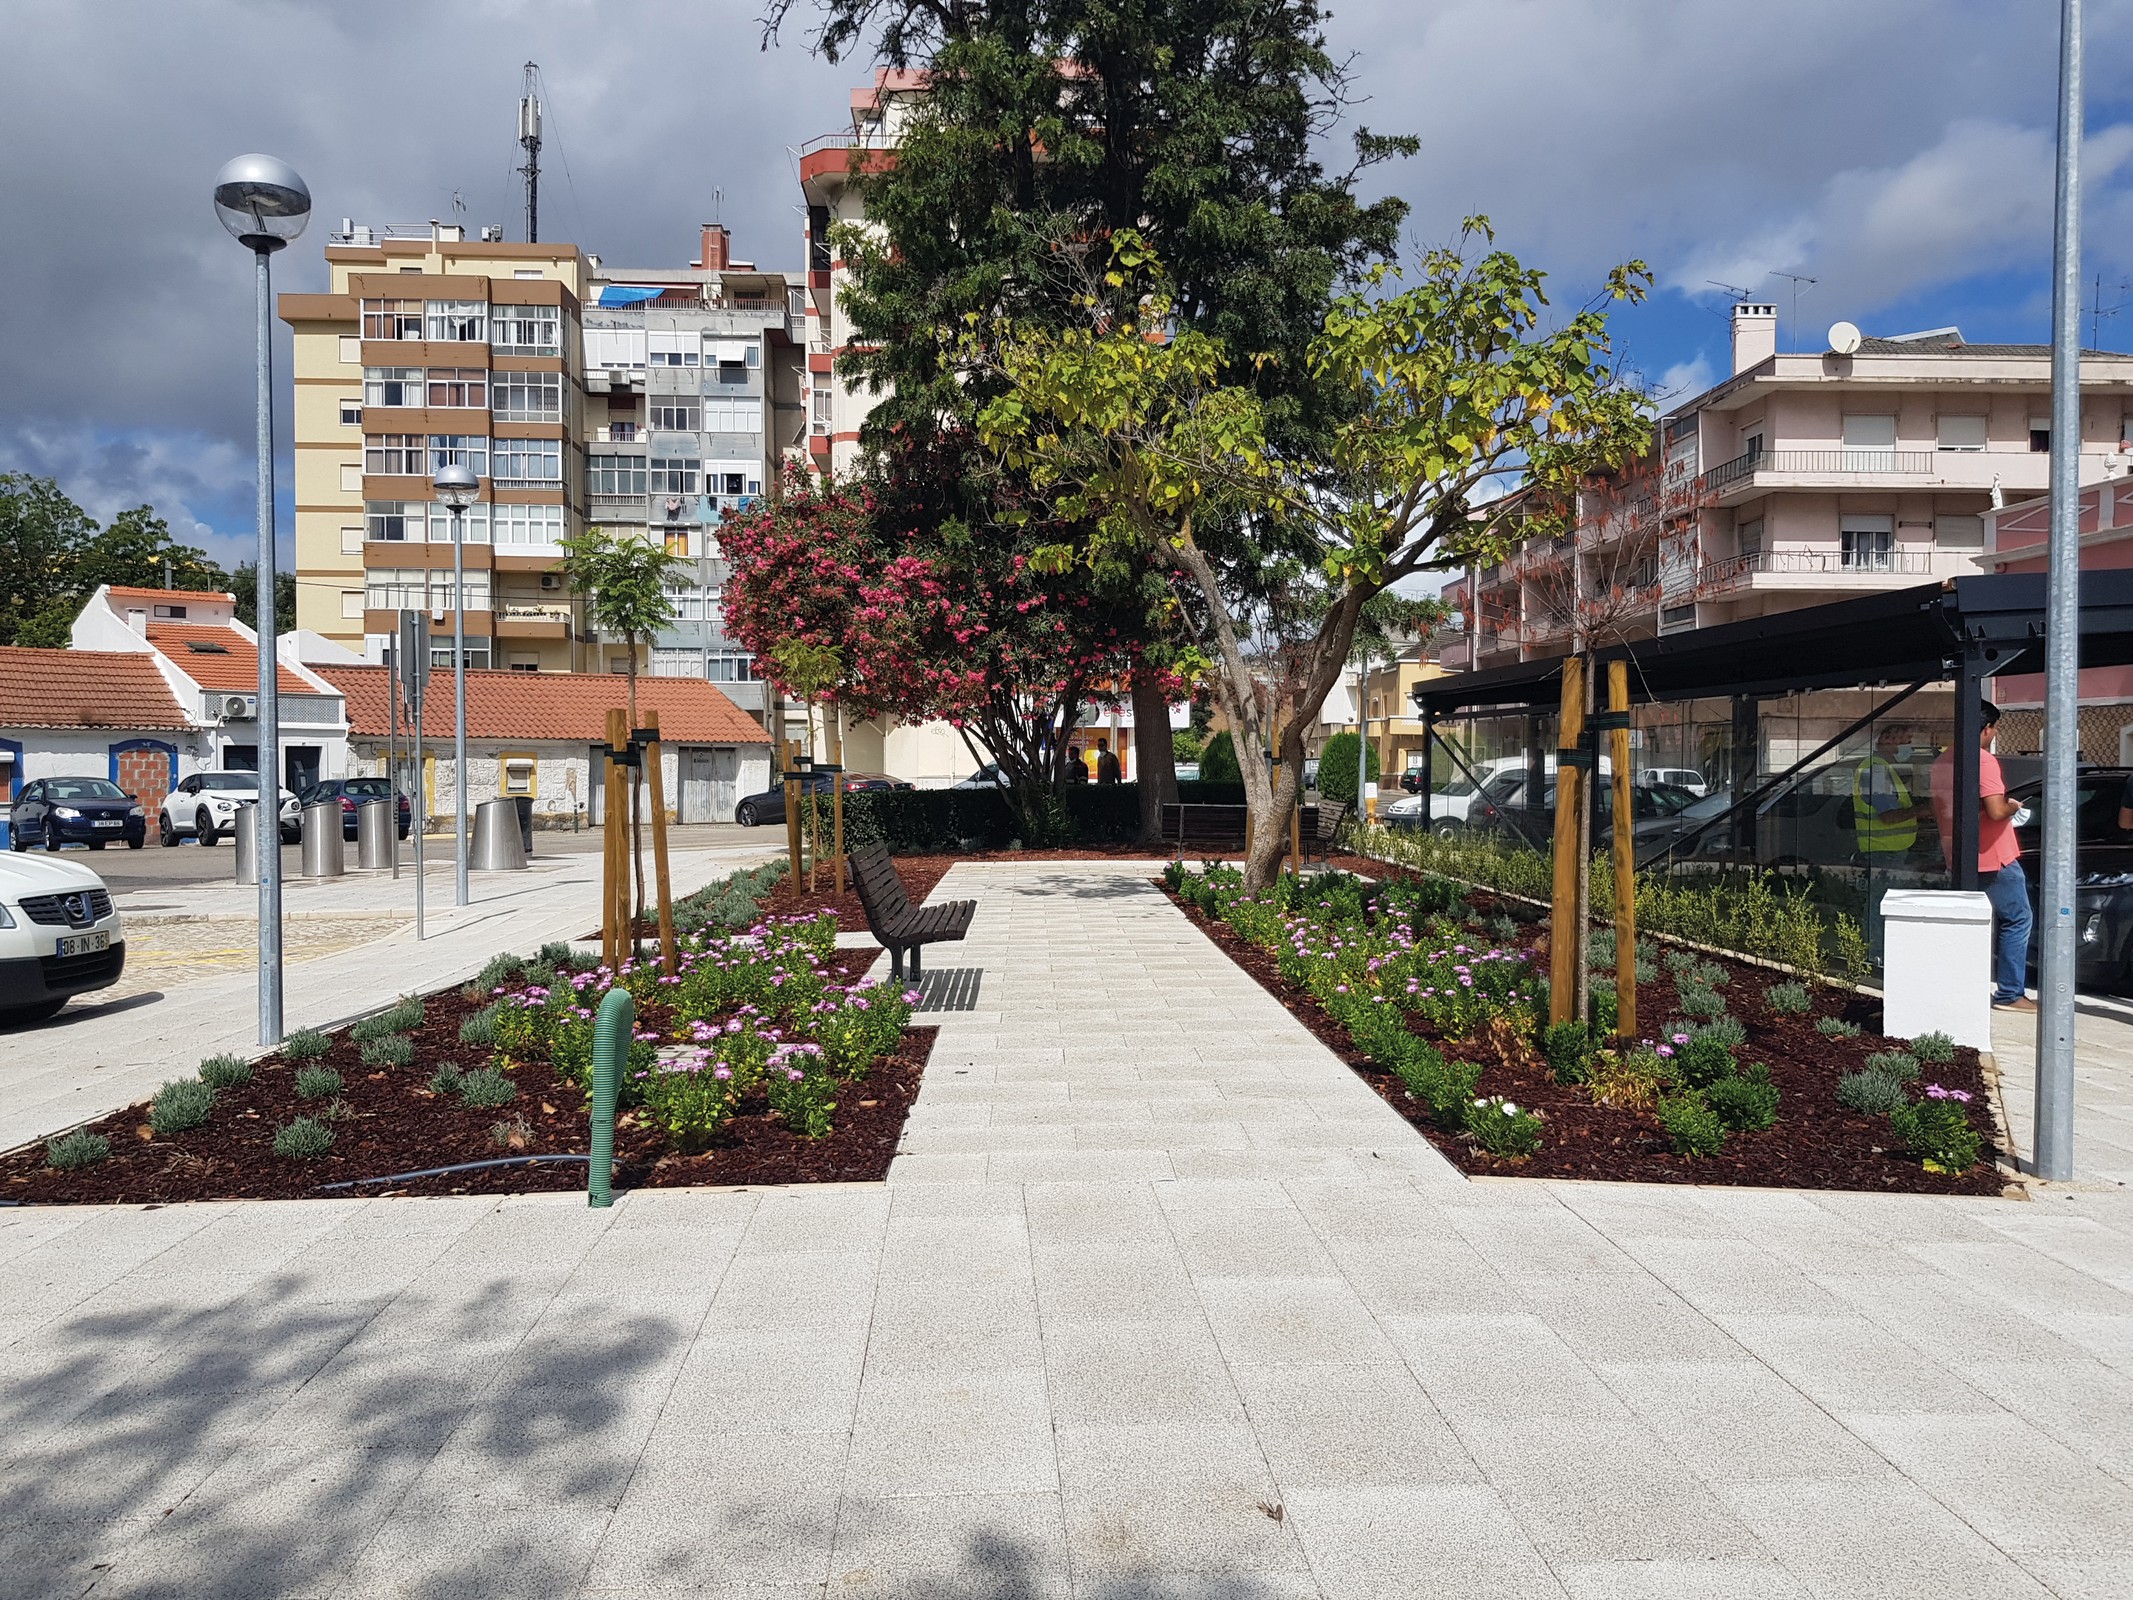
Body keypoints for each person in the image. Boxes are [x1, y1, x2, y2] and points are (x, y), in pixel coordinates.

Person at [1931, 702, 2034, 1011]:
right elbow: (1995, 810)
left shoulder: (1942, 763)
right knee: (2018, 919)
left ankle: (1965, 988)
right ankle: (2010, 994)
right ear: (1987, 728)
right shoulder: (1983, 761)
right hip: (1994, 856)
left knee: (1972, 924)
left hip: (1960, 855)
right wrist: (2014, 805)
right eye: (1994, 728)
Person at [1852, 724, 1919, 857]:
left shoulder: (1883, 767)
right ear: (1886, 741)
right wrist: (1925, 809)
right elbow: (1888, 816)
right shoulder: (1876, 771)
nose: (1910, 746)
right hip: (1884, 852)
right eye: (1907, 741)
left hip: (1887, 850)